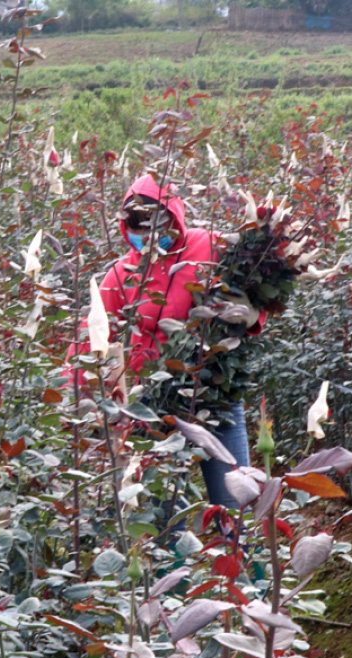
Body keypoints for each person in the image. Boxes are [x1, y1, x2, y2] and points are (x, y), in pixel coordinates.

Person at [70, 174, 266, 511]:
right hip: (152, 408)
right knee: (157, 515)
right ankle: (169, 563)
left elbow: (255, 276)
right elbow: (91, 337)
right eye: (138, 224)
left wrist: (250, 314)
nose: (147, 234)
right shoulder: (120, 275)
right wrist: (78, 393)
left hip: (213, 398)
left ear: (174, 217)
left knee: (235, 503)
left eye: (156, 222)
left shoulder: (209, 246)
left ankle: (242, 558)